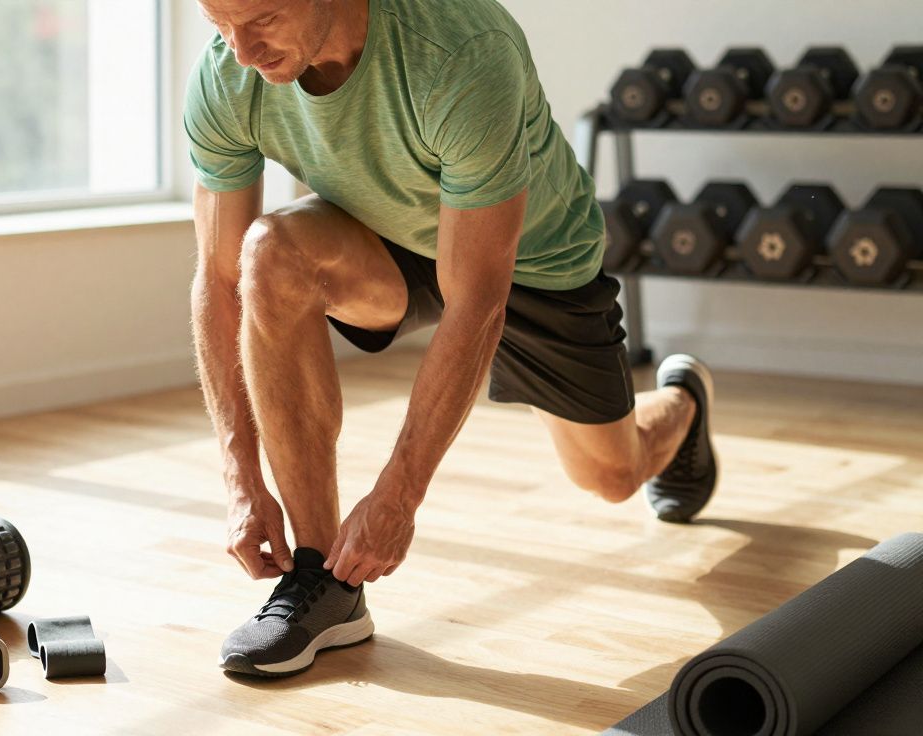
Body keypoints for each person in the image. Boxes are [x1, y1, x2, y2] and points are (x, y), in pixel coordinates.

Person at [185, 0, 718, 678]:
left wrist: (399, 496)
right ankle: (324, 583)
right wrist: (239, 474)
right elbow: (219, 275)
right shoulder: (228, 80)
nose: (243, 52)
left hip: (532, 262)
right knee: (270, 255)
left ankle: (682, 402)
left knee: (612, 475)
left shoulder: (461, 54)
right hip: (385, 239)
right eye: (221, 28)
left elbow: (478, 299)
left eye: (262, 19)